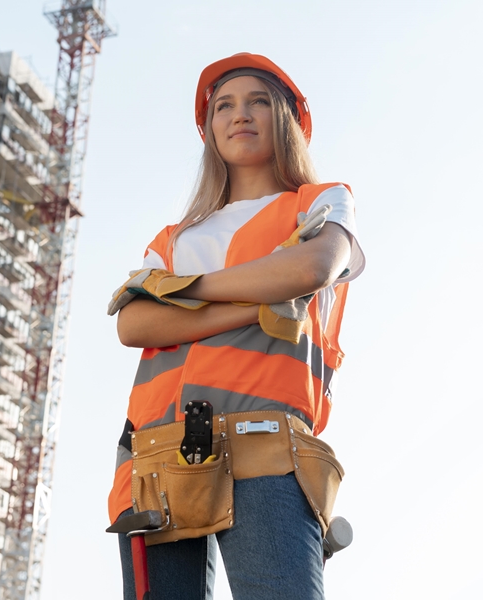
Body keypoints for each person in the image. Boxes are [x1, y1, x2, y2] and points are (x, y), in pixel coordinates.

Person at [107, 53, 366, 600]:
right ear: (210, 130)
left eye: (257, 102)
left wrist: (182, 292)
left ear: (287, 118)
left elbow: (310, 268)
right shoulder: (174, 237)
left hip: (264, 447)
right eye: (224, 105)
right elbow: (133, 324)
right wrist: (253, 305)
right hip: (152, 456)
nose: (239, 115)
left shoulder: (318, 203)